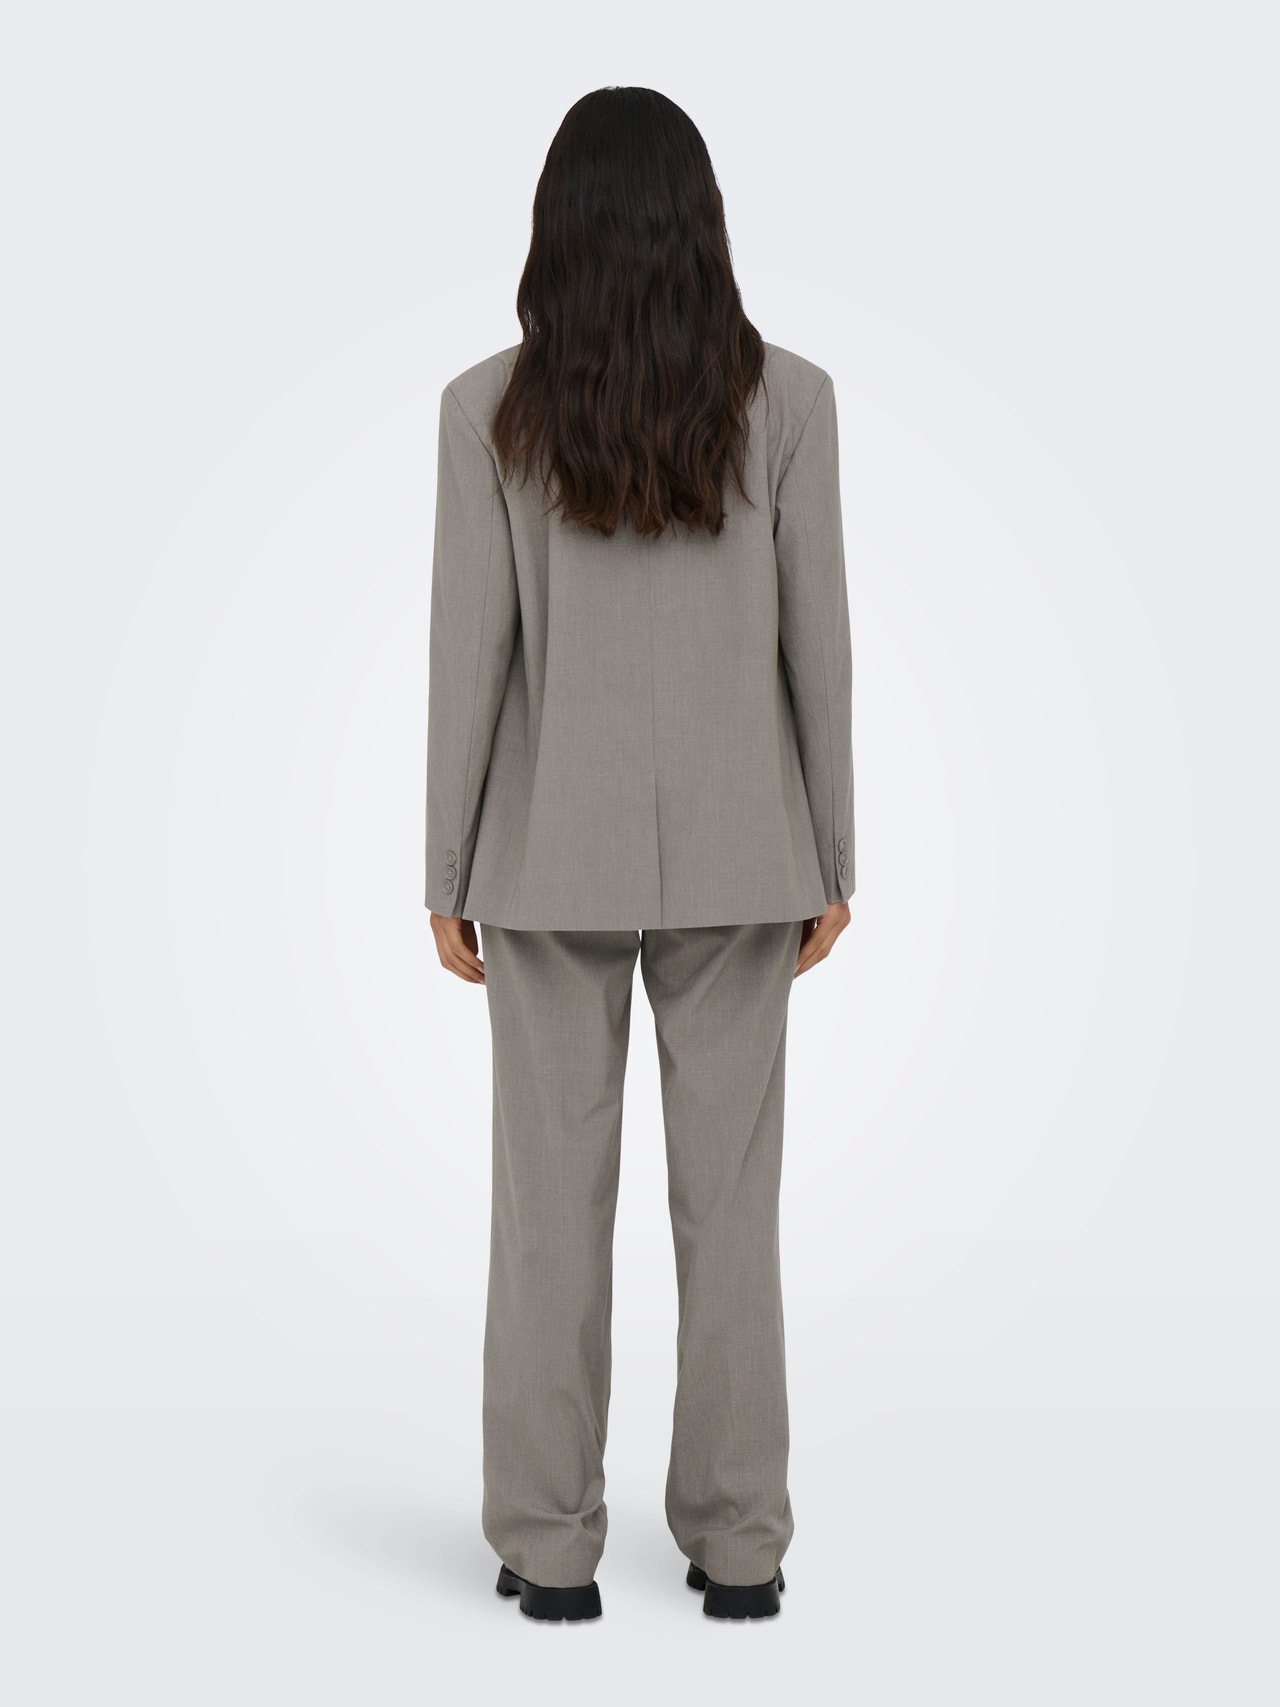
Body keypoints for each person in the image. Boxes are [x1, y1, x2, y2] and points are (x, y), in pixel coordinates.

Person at [424, 86, 854, 1623]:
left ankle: (548, 1552)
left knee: (548, 1215)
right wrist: (834, 852)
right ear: (703, 227)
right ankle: (741, 1548)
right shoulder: (789, 401)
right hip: (747, 855)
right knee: (731, 1216)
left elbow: (468, 657)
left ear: (559, 227)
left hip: (547, 856)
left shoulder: (490, 410)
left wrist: (446, 867)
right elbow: (822, 648)